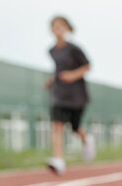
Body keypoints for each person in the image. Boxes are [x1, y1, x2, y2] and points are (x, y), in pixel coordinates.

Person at [45, 16, 95, 175]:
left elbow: (87, 66)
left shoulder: (74, 49)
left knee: (75, 127)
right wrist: (52, 81)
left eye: (61, 26)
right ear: (51, 30)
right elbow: (59, 70)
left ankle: (86, 138)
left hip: (76, 95)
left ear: (67, 28)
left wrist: (72, 76)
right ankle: (59, 161)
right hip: (59, 94)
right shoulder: (51, 51)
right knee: (57, 125)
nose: (57, 29)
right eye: (54, 26)